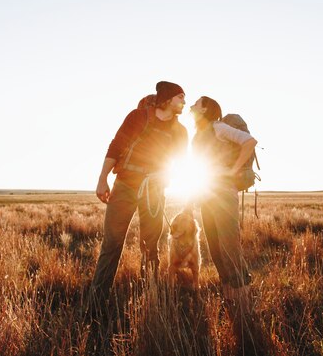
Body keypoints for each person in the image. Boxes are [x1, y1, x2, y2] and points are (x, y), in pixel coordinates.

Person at [89, 81, 188, 311]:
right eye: (180, 97)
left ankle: (150, 300)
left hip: (154, 189)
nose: (184, 101)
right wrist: (102, 178)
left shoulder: (181, 132)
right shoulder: (137, 117)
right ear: (167, 98)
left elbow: (180, 163)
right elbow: (116, 146)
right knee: (112, 243)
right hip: (125, 184)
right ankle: (96, 303)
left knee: (150, 246)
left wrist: (166, 177)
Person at [189, 96, 257, 312]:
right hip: (207, 194)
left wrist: (234, 170)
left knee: (229, 247)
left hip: (224, 193)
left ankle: (244, 305)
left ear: (206, 109)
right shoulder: (198, 135)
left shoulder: (218, 127)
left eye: (196, 104)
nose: (191, 106)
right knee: (216, 249)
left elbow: (249, 141)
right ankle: (231, 302)